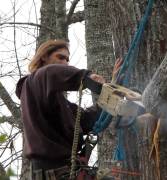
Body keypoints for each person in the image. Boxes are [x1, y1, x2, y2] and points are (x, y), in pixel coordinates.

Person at [15, 39, 106, 180]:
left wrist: (110, 98)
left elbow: (85, 120)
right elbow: (50, 72)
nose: (65, 62)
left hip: (70, 171)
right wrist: (85, 77)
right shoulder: (33, 82)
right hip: (55, 172)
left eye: (67, 59)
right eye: (60, 57)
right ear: (44, 57)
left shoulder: (62, 104)